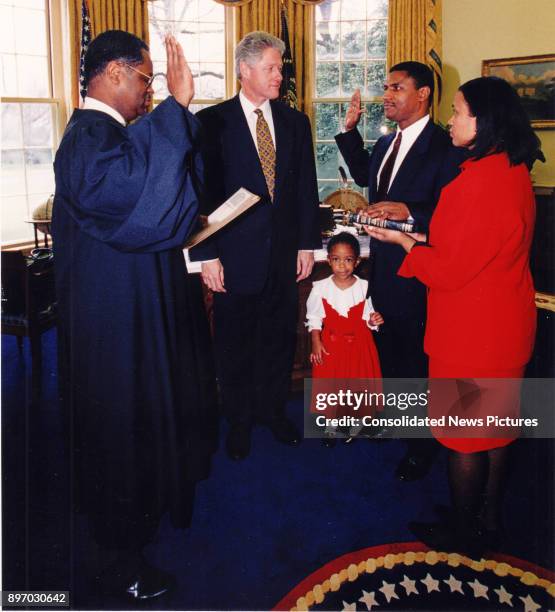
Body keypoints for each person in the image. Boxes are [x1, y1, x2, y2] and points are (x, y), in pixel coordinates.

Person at [52, 31, 216, 600]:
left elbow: (165, 201)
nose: (148, 92)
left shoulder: (107, 135)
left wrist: (174, 115)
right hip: (111, 326)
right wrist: (176, 109)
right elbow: (135, 197)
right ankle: (115, 561)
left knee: (136, 427)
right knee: (117, 433)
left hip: (128, 314)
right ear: (115, 73)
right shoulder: (88, 138)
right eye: (145, 80)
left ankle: (134, 530)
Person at [366, 76, 541, 557]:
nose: (451, 119)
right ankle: (488, 519)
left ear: (483, 122)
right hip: (505, 325)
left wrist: (401, 240)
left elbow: (445, 270)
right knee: (498, 429)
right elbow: (472, 249)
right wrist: (417, 238)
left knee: (464, 438)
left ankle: (463, 535)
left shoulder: (476, 183)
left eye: (459, 111)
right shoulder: (511, 169)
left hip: (470, 332)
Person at [190, 31, 321, 461]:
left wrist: (307, 246)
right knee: (234, 344)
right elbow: (201, 194)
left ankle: (272, 413)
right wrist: (206, 254)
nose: (279, 75)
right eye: (270, 68)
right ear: (244, 71)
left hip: (284, 256)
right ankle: (240, 422)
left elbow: (305, 188)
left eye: (280, 67)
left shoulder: (295, 122)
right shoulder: (211, 123)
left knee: (279, 340)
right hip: (233, 258)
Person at [335, 61, 466, 481]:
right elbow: (364, 174)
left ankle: (421, 448)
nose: (386, 95)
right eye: (385, 87)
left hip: (421, 275)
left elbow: (453, 216)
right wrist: (350, 130)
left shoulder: (446, 148)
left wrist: (411, 211)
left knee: (415, 362)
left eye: (397, 87)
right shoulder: (389, 141)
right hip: (385, 271)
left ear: (424, 94)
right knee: (389, 354)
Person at [306, 232, 383, 446]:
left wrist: (374, 320)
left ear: (357, 262)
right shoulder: (320, 287)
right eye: (337, 260)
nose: (342, 266)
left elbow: (369, 317)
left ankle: (355, 422)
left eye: (348, 260)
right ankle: (331, 426)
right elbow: (314, 317)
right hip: (331, 346)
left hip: (359, 345)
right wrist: (316, 341)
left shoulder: (364, 287)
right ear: (329, 260)